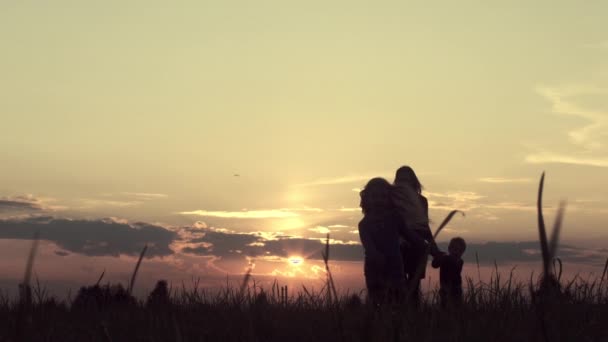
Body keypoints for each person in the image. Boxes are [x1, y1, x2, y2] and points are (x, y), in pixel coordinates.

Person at [391, 165, 440, 305]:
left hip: (417, 247)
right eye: (401, 179)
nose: (405, 182)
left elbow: (424, 226)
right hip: (397, 246)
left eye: (407, 179)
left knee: (414, 286)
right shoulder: (392, 200)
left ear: (414, 181)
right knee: (396, 287)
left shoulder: (422, 201)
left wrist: (434, 248)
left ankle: (414, 319)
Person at [358, 177, 405, 304]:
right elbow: (370, 249)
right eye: (374, 196)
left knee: (397, 302)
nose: (379, 200)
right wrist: (380, 259)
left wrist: (430, 249)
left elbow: (411, 236)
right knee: (377, 302)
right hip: (375, 269)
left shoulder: (395, 218)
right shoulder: (364, 224)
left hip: (396, 269)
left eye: (383, 196)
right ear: (367, 199)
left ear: (389, 199)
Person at [432, 237, 466, 308]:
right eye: (454, 249)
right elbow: (434, 265)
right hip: (445, 288)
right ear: (449, 249)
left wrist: (442, 256)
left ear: (462, 252)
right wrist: (439, 257)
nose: (456, 252)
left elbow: (452, 263)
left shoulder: (459, 261)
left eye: (459, 250)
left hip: (456, 288)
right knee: (444, 306)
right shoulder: (446, 259)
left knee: (456, 306)